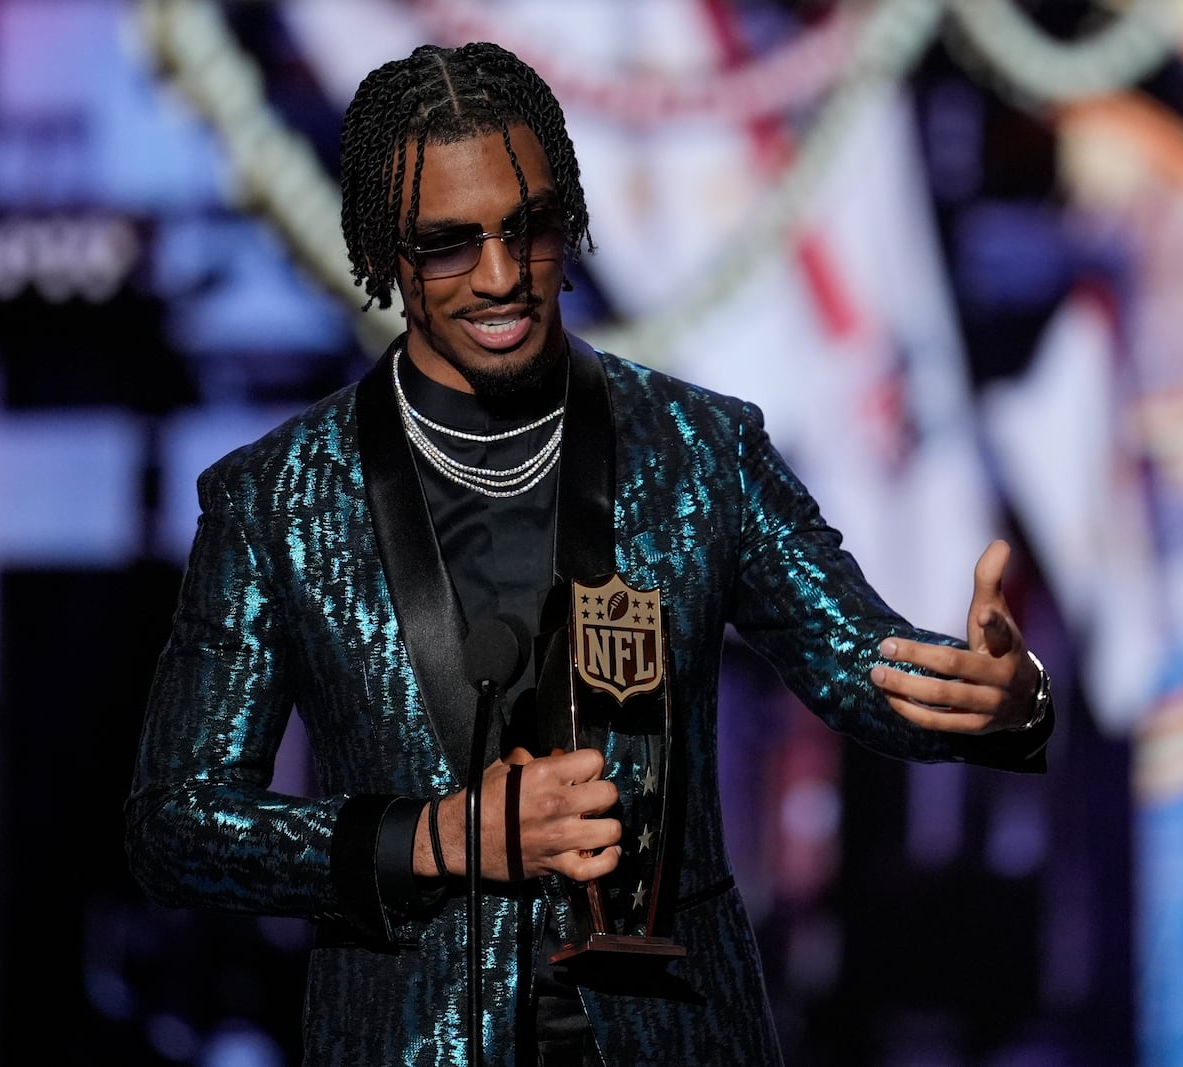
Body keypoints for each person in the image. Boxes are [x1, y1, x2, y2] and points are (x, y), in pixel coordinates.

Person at [125, 41, 1053, 1066]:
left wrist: (997, 700)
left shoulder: (703, 452)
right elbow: (182, 824)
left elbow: (853, 658)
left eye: (528, 228)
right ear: (381, 253)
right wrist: (435, 839)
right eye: (448, 242)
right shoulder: (277, 500)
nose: (497, 273)